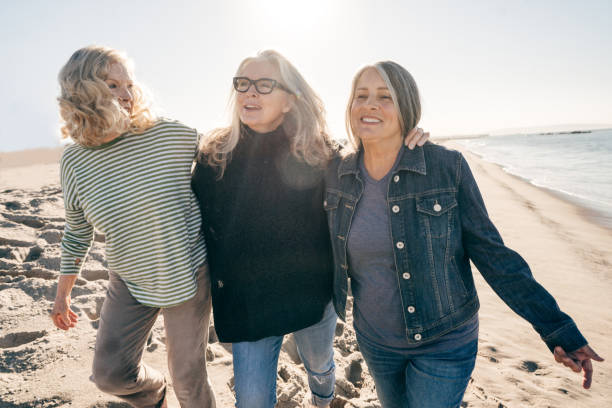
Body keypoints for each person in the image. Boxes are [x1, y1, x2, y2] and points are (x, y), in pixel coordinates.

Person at [324, 61, 604, 408]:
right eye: (361, 95)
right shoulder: (337, 173)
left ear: (406, 107)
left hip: (444, 341)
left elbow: (493, 255)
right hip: (376, 341)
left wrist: (556, 329)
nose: (370, 104)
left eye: (385, 97)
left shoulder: (445, 166)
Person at [192, 50, 427, 408]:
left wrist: (411, 142)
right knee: (252, 401)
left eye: (264, 85)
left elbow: (377, 174)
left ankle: (323, 398)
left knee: (319, 365)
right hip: (247, 304)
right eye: (242, 84)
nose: (249, 92)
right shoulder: (213, 156)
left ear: (289, 101)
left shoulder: (322, 154)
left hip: (311, 295)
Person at [50, 45, 216, 408]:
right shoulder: (74, 161)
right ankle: (154, 394)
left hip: (187, 272)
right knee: (110, 374)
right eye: (112, 85)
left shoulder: (170, 136)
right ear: (83, 92)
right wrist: (63, 294)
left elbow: (228, 163)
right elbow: (77, 231)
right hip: (130, 277)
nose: (126, 94)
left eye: (128, 84)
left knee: (188, 379)